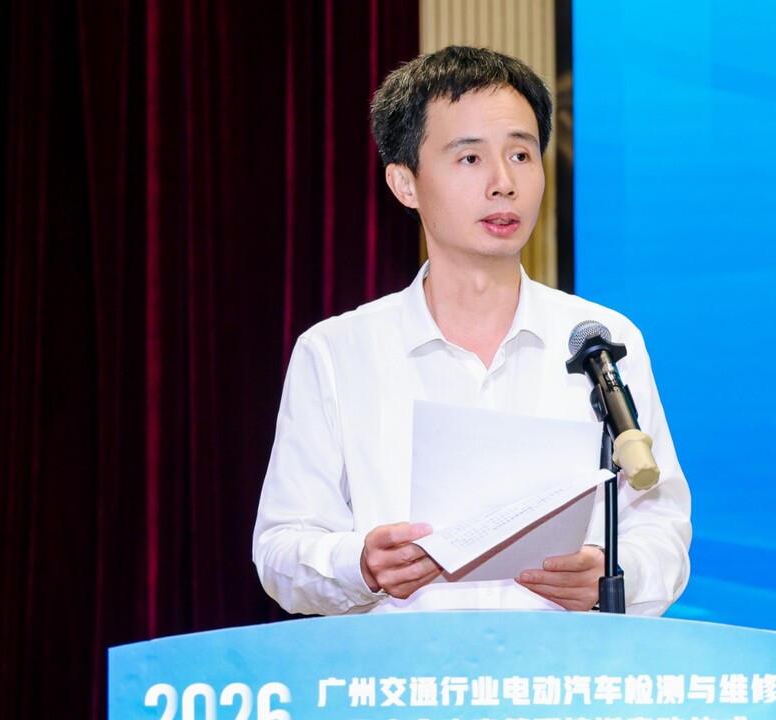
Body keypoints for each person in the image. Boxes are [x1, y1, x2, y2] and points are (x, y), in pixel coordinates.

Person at [253, 46, 691, 616]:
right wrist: (359, 564)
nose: (503, 183)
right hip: (403, 671)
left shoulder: (599, 341)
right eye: (470, 158)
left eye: (521, 154)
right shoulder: (337, 352)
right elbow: (281, 548)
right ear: (405, 184)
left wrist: (614, 575)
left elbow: (661, 522)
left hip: (565, 670)